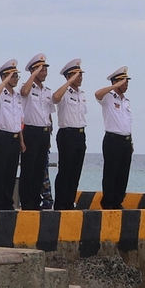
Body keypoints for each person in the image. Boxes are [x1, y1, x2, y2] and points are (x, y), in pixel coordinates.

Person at [18, 53, 53, 210]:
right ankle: (27, 202)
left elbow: (48, 113)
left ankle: (36, 201)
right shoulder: (27, 87)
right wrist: (33, 74)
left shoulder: (47, 91)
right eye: (40, 70)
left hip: (44, 132)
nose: (44, 73)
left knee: (40, 169)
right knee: (29, 169)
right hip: (31, 131)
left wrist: (49, 132)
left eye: (45, 70)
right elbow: (24, 92)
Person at [52, 59, 89, 209]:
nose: (79, 78)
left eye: (80, 75)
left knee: (75, 172)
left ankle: (69, 202)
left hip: (80, 134)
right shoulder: (64, 92)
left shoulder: (82, 94)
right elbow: (55, 98)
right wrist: (69, 82)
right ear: (68, 76)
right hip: (67, 134)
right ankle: (61, 203)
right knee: (65, 171)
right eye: (76, 75)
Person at [0, 59, 23, 209]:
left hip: (15, 138)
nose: (15, 79)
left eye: (16, 76)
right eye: (12, 76)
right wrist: (5, 80)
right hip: (2, 137)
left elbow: (19, 120)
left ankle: (8, 203)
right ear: (4, 77)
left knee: (11, 172)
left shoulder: (17, 96)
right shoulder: (0, 94)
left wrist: (21, 141)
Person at [96, 66, 133, 206]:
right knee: (111, 173)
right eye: (123, 81)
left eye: (127, 81)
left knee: (123, 173)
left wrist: (131, 141)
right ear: (115, 82)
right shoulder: (108, 98)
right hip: (113, 140)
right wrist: (114, 86)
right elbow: (97, 94)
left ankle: (118, 201)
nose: (126, 84)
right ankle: (108, 202)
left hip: (126, 140)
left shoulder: (126, 101)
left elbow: (127, 122)